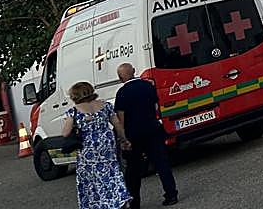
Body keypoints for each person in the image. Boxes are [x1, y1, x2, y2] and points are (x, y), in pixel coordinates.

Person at [114, 64, 178, 208]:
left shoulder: (122, 93)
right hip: (153, 129)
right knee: (162, 164)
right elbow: (156, 107)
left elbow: (121, 118)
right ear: (134, 72)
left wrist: (123, 138)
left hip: (134, 134)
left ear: (120, 77)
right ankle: (171, 194)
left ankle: (135, 202)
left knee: (133, 170)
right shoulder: (148, 86)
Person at [62, 81, 132, 209]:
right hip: (106, 144)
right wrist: (124, 140)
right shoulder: (105, 106)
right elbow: (117, 125)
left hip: (87, 148)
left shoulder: (73, 112)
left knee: (91, 178)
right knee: (112, 171)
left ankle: (96, 204)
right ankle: (120, 199)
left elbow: (65, 133)